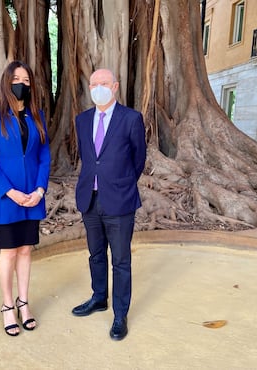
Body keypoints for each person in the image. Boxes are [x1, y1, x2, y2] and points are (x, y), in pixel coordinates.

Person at [72, 68, 147, 341]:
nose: (98, 88)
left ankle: (119, 314)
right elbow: (88, 158)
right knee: (95, 255)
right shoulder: (82, 120)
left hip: (120, 200)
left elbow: (138, 159)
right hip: (89, 199)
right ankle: (99, 297)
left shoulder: (131, 119)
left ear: (115, 86)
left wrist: (121, 183)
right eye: (93, 84)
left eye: (103, 83)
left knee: (121, 261)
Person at [0, 61, 51, 337]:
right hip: (6, 198)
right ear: (6, 82)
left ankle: (24, 303)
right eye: (16, 78)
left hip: (33, 197)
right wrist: (10, 191)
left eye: (27, 79)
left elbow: (44, 157)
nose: (22, 83)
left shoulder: (37, 116)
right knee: (8, 252)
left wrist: (39, 191)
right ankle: (8, 306)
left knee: (25, 250)